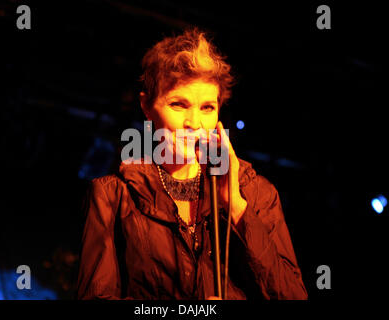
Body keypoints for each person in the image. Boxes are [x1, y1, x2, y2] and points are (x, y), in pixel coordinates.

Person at [76, 28, 308, 300]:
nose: (194, 123)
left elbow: (292, 296)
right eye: (178, 105)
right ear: (147, 107)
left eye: (207, 107)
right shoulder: (112, 196)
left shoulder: (257, 193)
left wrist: (235, 206)